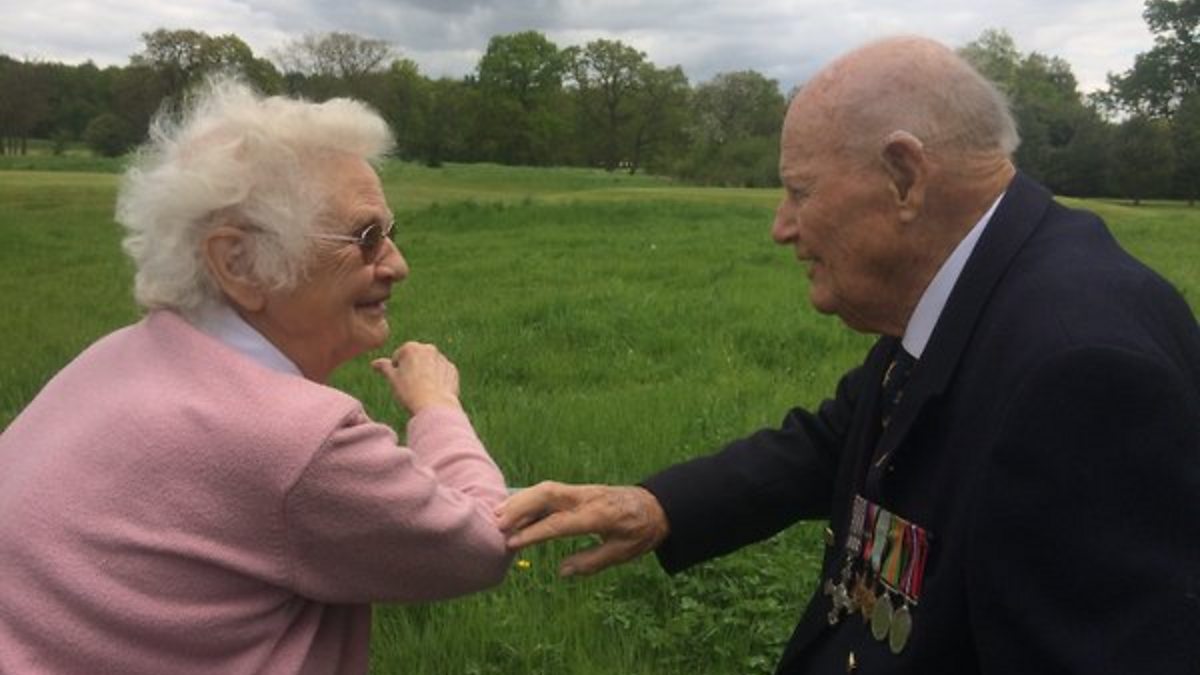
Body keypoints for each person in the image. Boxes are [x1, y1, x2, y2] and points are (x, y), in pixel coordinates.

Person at [498, 36, 1200, 674]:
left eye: (800, 191)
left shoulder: (1081, 371)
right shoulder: (980, 281)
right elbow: (843, 438)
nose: (781, 227)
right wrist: (658, 506)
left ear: (904, 177)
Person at [0, 79, 512, 673]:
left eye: (390, 235)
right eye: (366, 238)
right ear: (238, 263)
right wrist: (437, 405)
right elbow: (486, 542)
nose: (398, 265)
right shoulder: (297, 441)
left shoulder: (112, 356)